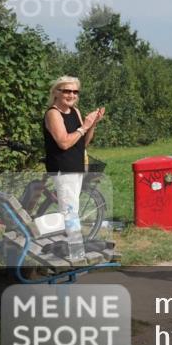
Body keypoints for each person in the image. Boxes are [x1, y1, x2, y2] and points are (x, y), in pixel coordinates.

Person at [42, 76, 106, 261]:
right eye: (67, 91)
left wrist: (92, 125)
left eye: (75, 92)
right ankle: (77, 255)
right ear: (56, 92)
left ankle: (34, 231)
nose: (71, 95)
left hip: (77, 167)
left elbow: (83, 142)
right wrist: (84, 126)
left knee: (69, 210)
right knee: (70, 212)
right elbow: (63, 142)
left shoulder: (75, 111)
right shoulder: (53, 114)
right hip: (63, 169)